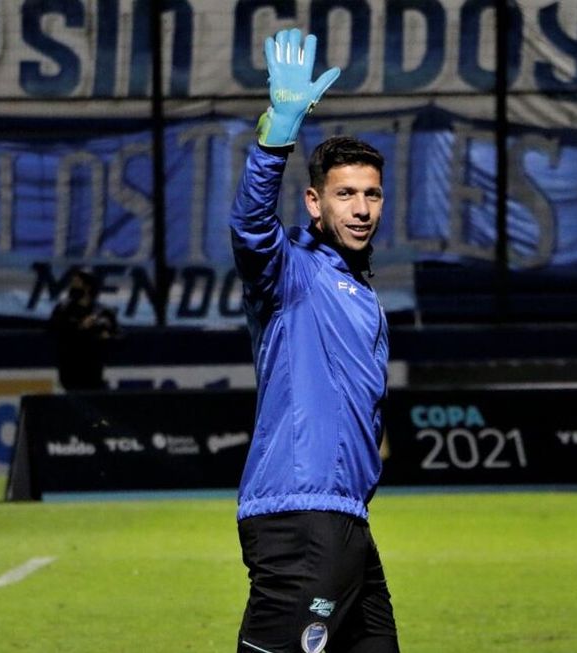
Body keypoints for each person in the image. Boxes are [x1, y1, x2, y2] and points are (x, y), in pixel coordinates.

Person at [230, 28, 400, 653]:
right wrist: (277, 135)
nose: (361, 207)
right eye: (345, 194)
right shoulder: (290, 272)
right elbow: (250, 227)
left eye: (372, 193)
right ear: (315, 202)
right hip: (300, 516)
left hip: (346, 517)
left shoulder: (359, 288)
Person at [48, 268, 119, 391]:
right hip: (70, 368)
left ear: (88, 287)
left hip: (94, 369)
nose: (72, 287)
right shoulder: (63, 309)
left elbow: (118, 335)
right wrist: (79, 326)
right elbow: (54, 328)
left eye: (76, 283)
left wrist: (107, 336)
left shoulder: (103, 312)